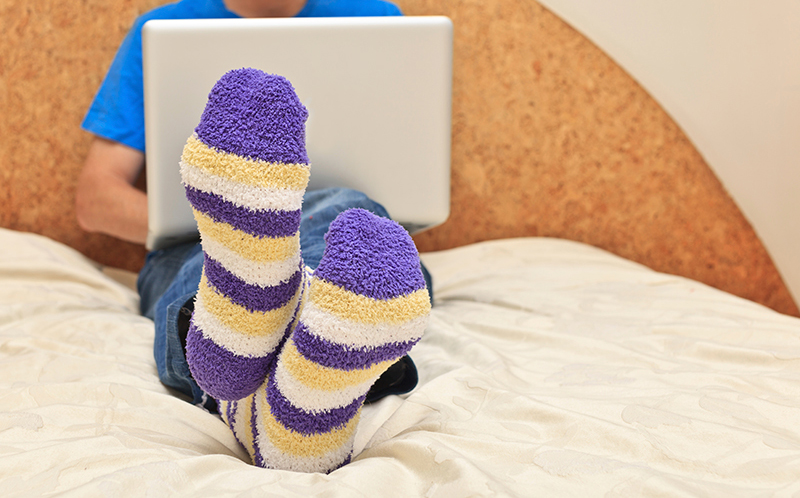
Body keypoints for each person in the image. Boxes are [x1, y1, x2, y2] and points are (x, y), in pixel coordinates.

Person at [76, 0, 431, 422]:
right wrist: (233, 220)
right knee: (219, 277)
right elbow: (96, 198)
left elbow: (409, 176)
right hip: (194, 244)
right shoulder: (163, 31)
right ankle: (308, 393)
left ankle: (255, 394)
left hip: (343, 221)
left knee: (361, 241)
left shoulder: (378, 23)